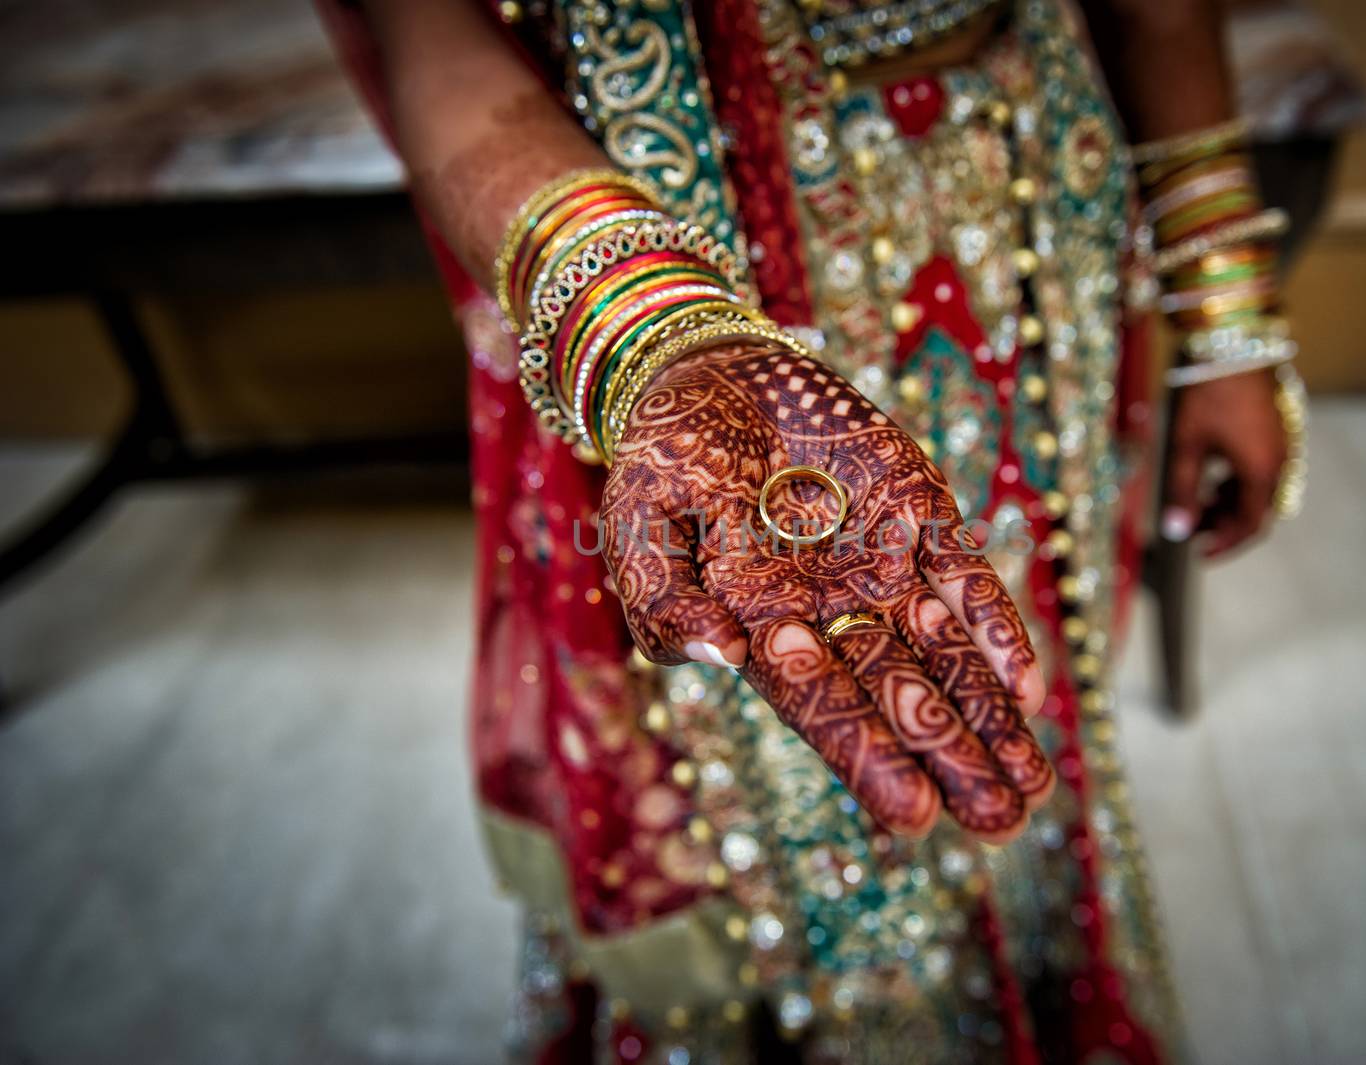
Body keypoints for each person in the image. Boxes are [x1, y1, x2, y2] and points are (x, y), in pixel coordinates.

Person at [319, 0, 1306, 1060]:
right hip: (631, 246)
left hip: (1016, 213)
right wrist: (659, 341)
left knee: (998, 673)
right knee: (727, 759)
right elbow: (430, 35)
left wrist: (1225, 311)